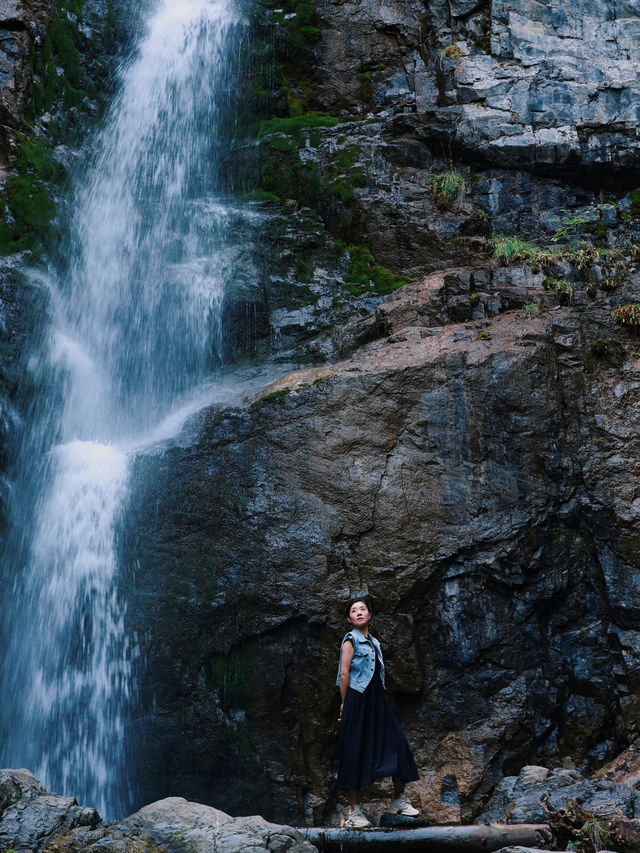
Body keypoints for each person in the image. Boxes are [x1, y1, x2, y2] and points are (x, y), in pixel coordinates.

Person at [336, 596, 421, 829]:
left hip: (377, 700)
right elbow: (344, 675)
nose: (359, 613)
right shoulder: (349, 641)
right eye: (354, 610)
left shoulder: (374, 642)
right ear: (349, 618)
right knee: (353, 751)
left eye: (363, 609)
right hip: (356, 697)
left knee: (398, 743)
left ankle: (398, 800)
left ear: (370, 615)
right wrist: (345, 704)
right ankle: (354, 812)